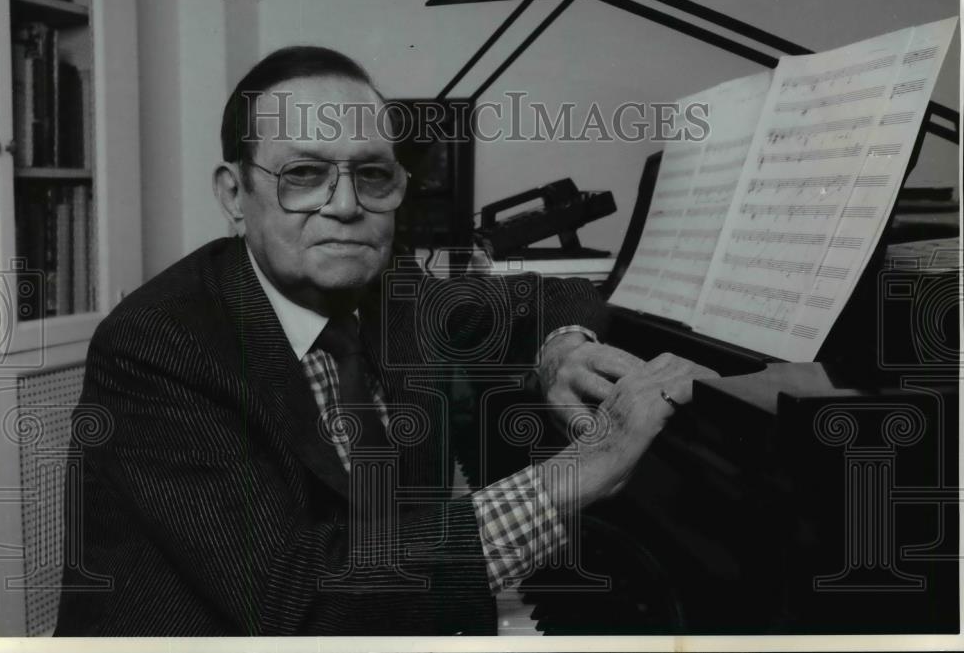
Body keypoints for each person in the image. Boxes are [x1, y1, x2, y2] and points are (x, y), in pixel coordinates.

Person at [54, 46, 715, 636]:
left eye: (372, 174)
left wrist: (562, 347)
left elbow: (546, 296)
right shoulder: (161, 344)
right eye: (305, 174)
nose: (345, 205)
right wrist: (573, 476)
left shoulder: (396, 291)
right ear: (234, 193)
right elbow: (297, 602)